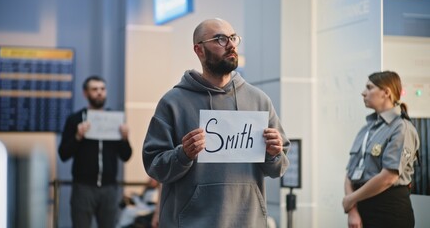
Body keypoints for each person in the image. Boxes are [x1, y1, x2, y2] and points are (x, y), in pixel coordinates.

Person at [142, 18, 290, 227]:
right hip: (190, 223)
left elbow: (278, 168)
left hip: (247, 221)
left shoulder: (259, 100)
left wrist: (274, 153)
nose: (230, 45)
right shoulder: (173, 102)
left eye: (233, 38)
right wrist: (183, 154)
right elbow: (154, 166)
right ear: (199, 50)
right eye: (220, 39)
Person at [343, 71, 419, 228]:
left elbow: (388, 177)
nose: (363, 93)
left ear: (386, 92)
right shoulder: (366, 130)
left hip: (389, 211)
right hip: (362, 208)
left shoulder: (401, 127)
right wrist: (352, 210)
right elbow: (349, 175)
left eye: (369, 87)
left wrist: (351, 200)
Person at [59, 75, 133, 228]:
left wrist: (125, 138)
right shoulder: (75, 120)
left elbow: (126, 156)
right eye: (94, 89)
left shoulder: (115, 120)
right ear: (85, 93)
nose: (99, 92)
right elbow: (63, 154)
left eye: (102, 89)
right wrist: (77, 136)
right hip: (83, 188)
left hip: (109, 188)